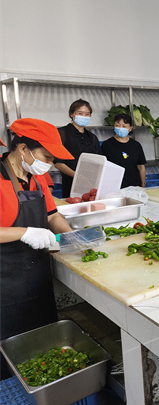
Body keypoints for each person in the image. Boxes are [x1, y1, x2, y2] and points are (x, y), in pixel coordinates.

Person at [0, 118, 74, 380]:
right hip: (4, 281)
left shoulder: (37, 177)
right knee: (10, 348)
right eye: (47, 156)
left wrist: (73, 237)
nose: (50, 164)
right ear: (23, 149)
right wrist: (25, 232)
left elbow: (52, 215)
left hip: (36, 275)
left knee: (43, 338)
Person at [54, 99, 100, 198]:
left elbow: (98, 162)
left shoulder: (92, 137)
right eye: (80, 113)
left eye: (87, 114)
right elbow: (57, 163)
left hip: (91, 185)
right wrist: (78, 176)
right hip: (70, 184)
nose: (84, 116)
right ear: (72, 114)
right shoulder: (62, 133)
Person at [101, 113, 147, 188]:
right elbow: (103, 167)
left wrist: (143, 184)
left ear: (130, 128)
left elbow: (141, 166)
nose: (120, 128)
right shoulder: (106, 145)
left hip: (134, 186)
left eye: (124, 126)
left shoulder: (136, 145)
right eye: (117, 125)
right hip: (115, 187)